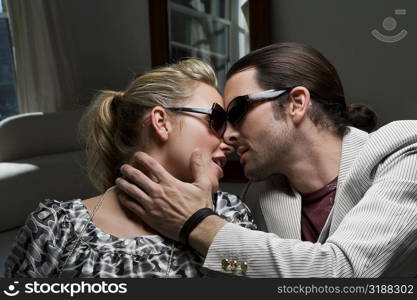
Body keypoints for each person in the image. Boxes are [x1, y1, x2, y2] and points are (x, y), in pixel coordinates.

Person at [115, 43, 417, 277]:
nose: (227, 135)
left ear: (296, 103)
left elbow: (343, 274)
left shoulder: (403, 149)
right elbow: (251, 271)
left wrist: (196, 222)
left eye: (237, 112)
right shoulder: (260, 195)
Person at [4, 59, 255, 278]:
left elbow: (252, 276)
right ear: (161, 122)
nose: (229, 139)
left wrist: (203, 225)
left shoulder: (229, 215)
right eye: (218, 120)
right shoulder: (56, 228)